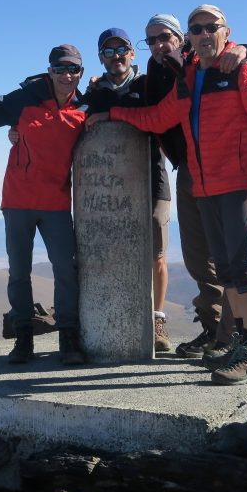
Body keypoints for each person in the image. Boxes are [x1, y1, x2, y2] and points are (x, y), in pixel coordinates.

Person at [87, 5, 247, 385]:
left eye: (211, 27)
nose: (204, 33)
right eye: (198, 28)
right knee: (226, 267)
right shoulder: (190, 76)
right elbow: (158, 118)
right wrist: (112, 114)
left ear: (226, 32)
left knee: (243, 267)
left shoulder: (242, 68)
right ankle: (233, 343)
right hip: (204, 182)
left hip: (239, 184)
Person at [0, 45, 88, 366]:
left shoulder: (87, 104)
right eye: (60, 69)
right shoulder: (27, 98)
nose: (67, 75)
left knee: (66, 270)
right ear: (49, 71)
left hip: (56, 203)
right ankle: (23, 340)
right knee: (19, 273)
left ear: (80, 72)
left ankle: (68, 338)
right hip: (18, 201)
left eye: (73, 70)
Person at [141, 14, 247, 361]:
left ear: (180, 38)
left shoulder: (231, 63)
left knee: (239, 263)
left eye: (164, 37)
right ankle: (219, 335)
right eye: (150, 40)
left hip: (235, 178)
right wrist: (102, 110)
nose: (158, 45)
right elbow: (154, 115)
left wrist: (246, 49)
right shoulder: (170, 72)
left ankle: (237, 344)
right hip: (194, 173)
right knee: (203, 259)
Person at [82, 27, 172, 351]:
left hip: (153, 178)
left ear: (133, 53)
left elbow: (160, 116)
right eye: (108, 51)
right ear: (101, 58)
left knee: (157, 252)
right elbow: (73, 121)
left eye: (121, 49)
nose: (116, 56)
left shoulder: (147, 85)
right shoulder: (94, 92)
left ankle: (157, 319)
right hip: (111, 187)